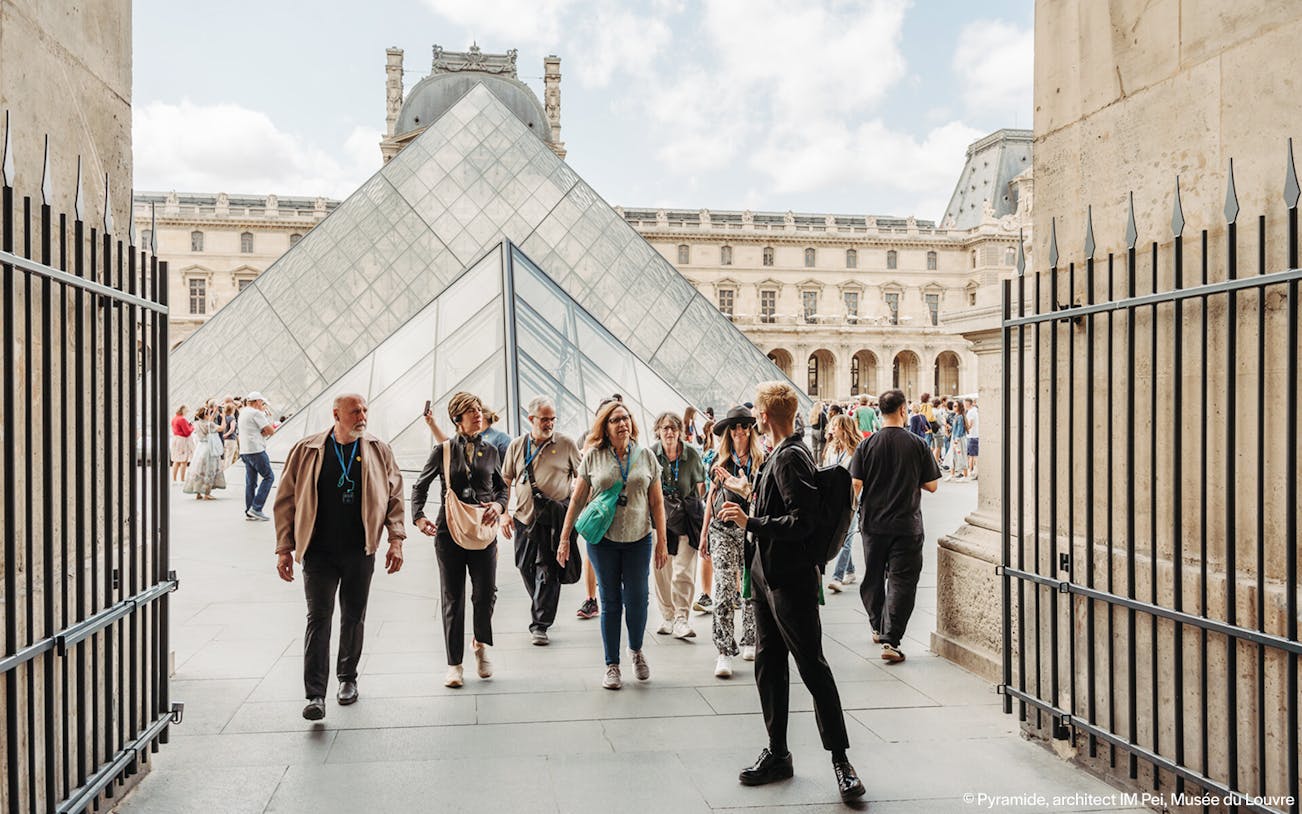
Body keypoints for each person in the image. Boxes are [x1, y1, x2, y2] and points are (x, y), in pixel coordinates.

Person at [716, 381, 864, 802]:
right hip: (767, 575)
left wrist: (752, 523)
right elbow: (783, 505)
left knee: (811, 666)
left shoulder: (789, 457)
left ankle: (841, 762)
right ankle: (778, 752)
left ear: (763, 416)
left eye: (756, 414)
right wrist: (750, 495)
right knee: (769, 662)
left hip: (788, 577)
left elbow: (804, 522)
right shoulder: (784, 453)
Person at [273, 393, 406, 721]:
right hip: (317, 551)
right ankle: (315, 694)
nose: (362, 416)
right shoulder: (307, 450)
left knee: (353, 616)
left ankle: (347, 679)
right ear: (336, 414)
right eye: (354, 411)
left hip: (360, 550)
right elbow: (286, 498)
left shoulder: (377, 449)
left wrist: (396, 540)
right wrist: (283, 548)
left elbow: (395, 495)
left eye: (364, 410)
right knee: (318, 619)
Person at [557, 400, 669, 690]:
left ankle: (636, 650)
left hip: (638, 538)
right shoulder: (593, 457)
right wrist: (565, 538)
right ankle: (612, 665)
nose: (623, 424)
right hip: (603, 541)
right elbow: (578, 499)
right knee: (609, 602)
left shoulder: (646, 457)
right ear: (605, 427)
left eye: (626, 418)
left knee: (638, 598)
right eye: (615, 420)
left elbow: (657, 502)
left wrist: (662, 542)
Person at [411, 392, 508, 688]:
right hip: (448, 532)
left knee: (485, 593)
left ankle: (480, 644)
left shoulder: (491, 450)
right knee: (452, 598)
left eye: (479, 409)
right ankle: (454, 665)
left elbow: (502, 489)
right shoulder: (443, 451)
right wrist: (419, 516)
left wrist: (499, 506)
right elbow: (420, 486)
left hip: (483, 531)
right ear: (457, 419)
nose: (478, 415)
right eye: (470, 411)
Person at [849, 388, 941, 664]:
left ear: (880, 411)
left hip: (873, 524)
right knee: (902, 581)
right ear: (903, 410)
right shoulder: (917, 444)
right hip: (906, 525)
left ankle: (877, 625)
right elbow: (932, 485)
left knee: (873, 577)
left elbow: (855, 484)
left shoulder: (866, 445)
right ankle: (892, 639)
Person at [501, 396, 581, 646]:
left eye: (552, 419)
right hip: (524, 520)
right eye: (544, 419)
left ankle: (540, 624)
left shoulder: (566, 444)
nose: (549, 423)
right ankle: (541, 603)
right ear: (531, 419)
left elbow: (582, 478)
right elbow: (505, 480)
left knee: (547, 571)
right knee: (524, 566)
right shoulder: (517, 445)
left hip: (554, 521)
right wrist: (503, 513)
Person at [699, 405, 761, 678]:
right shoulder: (719, 461)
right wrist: (704, 535)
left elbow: (763, 500)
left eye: (744, 427)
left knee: (750, 585)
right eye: (734, 427)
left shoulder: (761, 461)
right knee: (724, 588)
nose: (739, 432)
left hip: (750, 530)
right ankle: (723, 650)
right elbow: (711, 500)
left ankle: (750, 638)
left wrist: (743, 488)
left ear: (751, 430)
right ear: (728, 432)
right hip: (722, 530)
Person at [650, 412, 708, 639]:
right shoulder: (651, 454)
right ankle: (668, 616)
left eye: (674, 428)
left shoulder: (691, 455)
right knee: (662, 570)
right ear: (658, 430)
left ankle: (682, 618)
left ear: (680, 431)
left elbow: (701, 487)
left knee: (683, 570)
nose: (669, 432)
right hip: (660, 520)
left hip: (685, 519)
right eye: (665, 428)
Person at [823, 414, 862, 592]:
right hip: (834, 498)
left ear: (844, 428)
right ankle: (851, 570)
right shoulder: (832, 448)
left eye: (835, 425)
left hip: (851, 499)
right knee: (842, 535)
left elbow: (858, 479)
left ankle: (837, 577)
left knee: (846, 536)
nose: (831, 427)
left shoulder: (857, 450)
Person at [239, 392, 276, 521]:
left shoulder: (243, 412)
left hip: (245, 451)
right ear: (257, 401)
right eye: (262, 403)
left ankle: (249, 510)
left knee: (251, 482)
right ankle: (256, 508)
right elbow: (271, 431)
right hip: (256, 450)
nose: (263, 405)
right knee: (269, 476)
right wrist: (265, 428)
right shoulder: (256, 413)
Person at [182, 406, 226, 500]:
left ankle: (198, 493)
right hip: (209, 448)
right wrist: (223, 418)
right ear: (205, 415)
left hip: (200, 447)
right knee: (209, 470)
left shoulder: (196, 423)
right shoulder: (210, 425)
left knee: (199, 470)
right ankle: (207, 493)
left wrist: (213, 412)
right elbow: (222, 428)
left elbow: (208, 421)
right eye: (208, 414)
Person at [169, 405, 194, 483]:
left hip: (175, 439)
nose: (187, 412)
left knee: (176, 460)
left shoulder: (174, 418)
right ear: (182, 410)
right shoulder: (182, 419)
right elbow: (187, 432)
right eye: (186, 411)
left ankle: (174, 479)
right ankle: (182, 479)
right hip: (182, 440)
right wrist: (192, 427)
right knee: (183, 460)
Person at [947, 400, 968, 480]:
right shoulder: (956, 416)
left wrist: (956, 440)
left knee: (961, 455)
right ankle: (952, 474)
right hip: (955, 438)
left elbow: (960, 429)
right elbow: (956, 429)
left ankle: (965, 475)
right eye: (953, 406)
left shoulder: (960, 416)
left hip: (958, 439)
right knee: (953, 455)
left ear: (959, 407)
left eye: (955, 406)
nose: (953, 407)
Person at [964, 398, 980, 480]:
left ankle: (971, 472)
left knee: (971, 456)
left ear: (967, 404)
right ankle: (974, 471)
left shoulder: (970, 412)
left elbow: (970, 424)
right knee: (974, 455)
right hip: (975, 435)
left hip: (971, 435)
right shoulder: (975, 410)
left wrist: (964, 430)